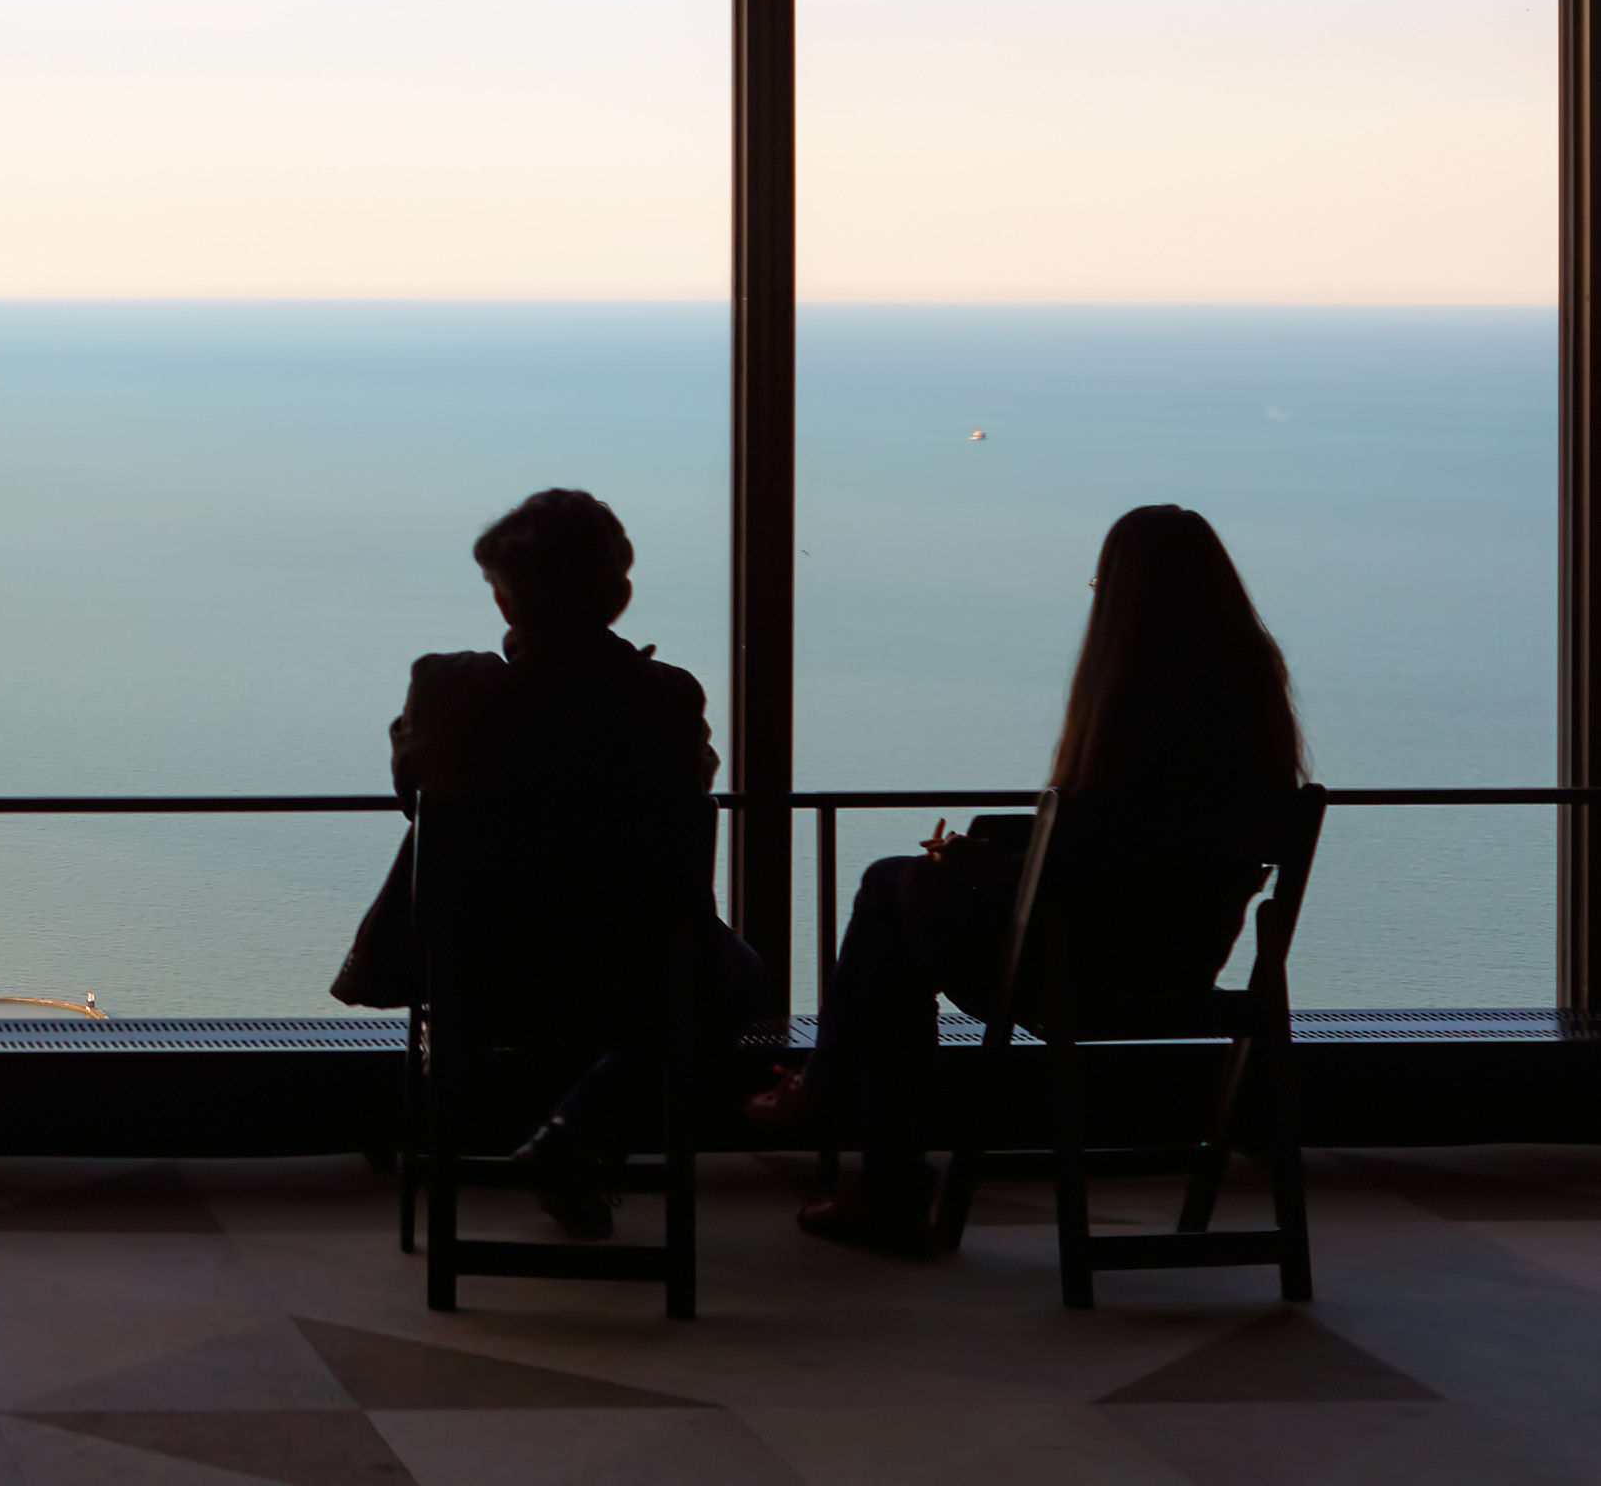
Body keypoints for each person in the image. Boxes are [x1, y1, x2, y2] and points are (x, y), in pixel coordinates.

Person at [754, 502, 1305, 1255]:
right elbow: (1125, 851)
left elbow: (1086, 869)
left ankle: (861, 1140)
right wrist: (1016, 848)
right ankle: (863, 1149)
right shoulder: (1248, 690)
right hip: (1182, 963)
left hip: (1082, 970)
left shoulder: (1131, 699)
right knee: (896, 913)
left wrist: (989, 865)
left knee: (888, 890)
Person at [333, 488, 757, 1235]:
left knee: (573, 994)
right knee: (739, 980)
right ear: (619, 597)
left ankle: (562, 1137)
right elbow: (692, 794)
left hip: (476, 974)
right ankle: (577, 1131)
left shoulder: (452, 689)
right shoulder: (664, 700)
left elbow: (414, 790)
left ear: (505, 601)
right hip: (635, 978)